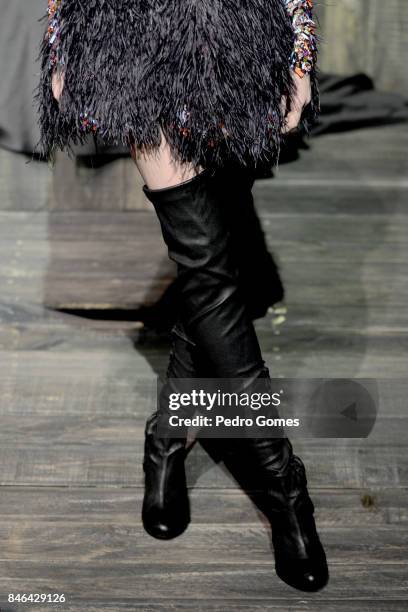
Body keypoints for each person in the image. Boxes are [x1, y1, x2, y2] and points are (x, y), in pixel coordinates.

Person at [38, 0, 328, 592]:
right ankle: (285, 489)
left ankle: (168, 438)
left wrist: (298, 49)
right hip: (134, 34)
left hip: (240, 34)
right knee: (207, 270)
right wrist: (61, 38)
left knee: (210, 272)